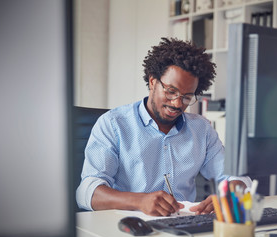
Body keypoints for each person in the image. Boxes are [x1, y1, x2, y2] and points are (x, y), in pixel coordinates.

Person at [76, 37, 251, 216]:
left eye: (187, 97)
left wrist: (230, 194)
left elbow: (237, 177)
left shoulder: (202, 130)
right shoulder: (113, 124)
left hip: (184, 226)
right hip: (128, 226)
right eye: (170, 91)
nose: (177, 103)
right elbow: (87, 192)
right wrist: (139, 201)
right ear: (152, 82)